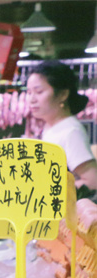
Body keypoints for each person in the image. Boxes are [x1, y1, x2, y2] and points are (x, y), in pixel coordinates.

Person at [26, 61, 97, 193]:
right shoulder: (51, 127)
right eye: (29, 92)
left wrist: (47, 191)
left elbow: (92, 181)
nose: (31, 99)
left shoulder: (71, 131)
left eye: (39, 92)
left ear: (63, 95)